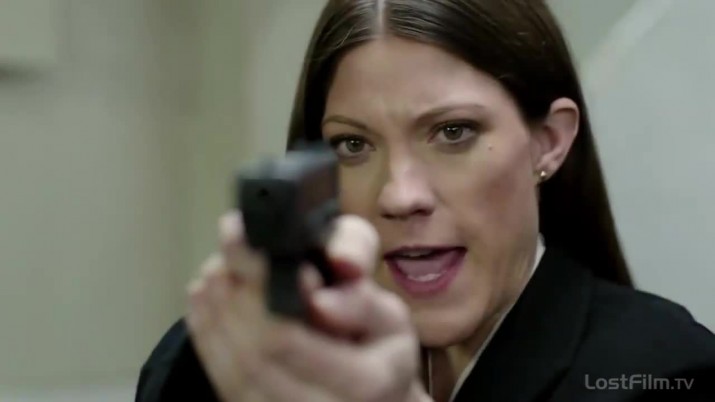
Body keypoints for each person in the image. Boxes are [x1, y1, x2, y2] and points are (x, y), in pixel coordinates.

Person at [135, 1, 715, 401]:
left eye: (453, 132)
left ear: (549, 141)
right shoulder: (218, 367)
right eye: (354, 145)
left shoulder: (663, 373)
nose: (399, 195)